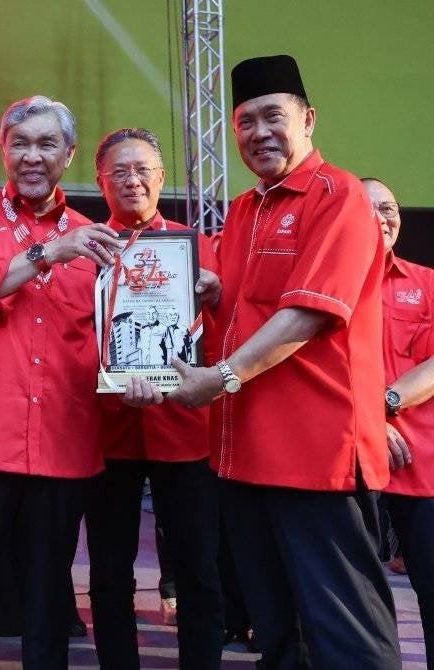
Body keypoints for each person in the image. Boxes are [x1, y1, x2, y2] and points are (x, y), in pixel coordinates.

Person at [154, 55, 401, 668]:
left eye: (274, 116)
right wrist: (211, 298)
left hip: (315, 457)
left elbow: (310, 315)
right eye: (245, 122)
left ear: (308, 119)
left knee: (346, 635)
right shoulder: (242, 211)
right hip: (244, 458)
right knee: (276, 633)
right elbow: (241, 314)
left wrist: (221, 378)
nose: (259, 132)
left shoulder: (338, 196)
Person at [0, 95, 123, 669]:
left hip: (62, 447)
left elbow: (116, 335)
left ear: (69, 155)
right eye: (20, 144)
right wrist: (46, 253)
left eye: (46, 144)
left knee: (47, 602)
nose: (32, 156)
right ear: (3, 149)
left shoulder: (97, 238)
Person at [85, 127, 223, 669]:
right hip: (108, 429)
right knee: (109, 572)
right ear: (101, 183)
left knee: (197, 570)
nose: (132, 180)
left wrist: (215, 296)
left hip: (184, 429)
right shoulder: (85, 246)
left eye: (142, 170)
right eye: (119, 171)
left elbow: (224, 330)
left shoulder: (197, 245)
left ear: (161, 179)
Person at [365, 177, 434, 668]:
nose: (382, 218)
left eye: (389, 207)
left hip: (423, 465)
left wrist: (382, 405)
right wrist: (366, 423)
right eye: (368, 210)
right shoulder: (330, 288)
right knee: (359, 603)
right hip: (351, 461)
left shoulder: (427, 282)